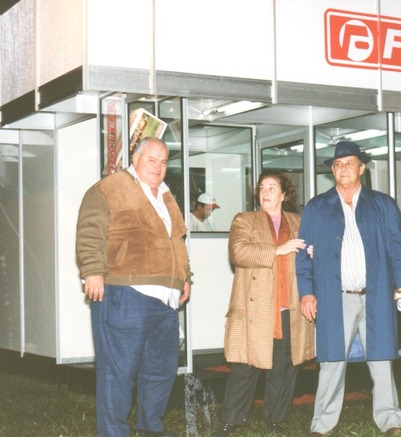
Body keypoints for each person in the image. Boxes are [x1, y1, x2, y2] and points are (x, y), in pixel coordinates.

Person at [296, 141, 401, 437]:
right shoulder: (317, 207)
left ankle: (391, 421)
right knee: (332, 361)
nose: (343, 169)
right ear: (332, 171)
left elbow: (398, 248)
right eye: (337, 165)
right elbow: (303, 253)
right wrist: (307, 291)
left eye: (349, 163)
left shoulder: (383, 205)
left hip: (375, 295)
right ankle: (321, 426)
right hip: (336, 298)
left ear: (361, 167)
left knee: (381, 359)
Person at [76, 137, 191, 437]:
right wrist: (92, 271)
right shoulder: (110, 188)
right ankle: (114, 432)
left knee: (162, 370)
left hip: (166, 300)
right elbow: (90, 231)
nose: (158, 167)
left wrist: (184, 277)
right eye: (152, 159)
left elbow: (176, 240)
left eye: (164, 161)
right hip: (125, 293)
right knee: (119, 372)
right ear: (135, 159)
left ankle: (150, 428)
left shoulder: (166, 196)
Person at [217, 170, 315, 436]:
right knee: (245, 367)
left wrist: (313, 253)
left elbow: (312, 256)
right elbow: (238, 252)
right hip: (255, 310)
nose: (265, 193)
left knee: (284, 367)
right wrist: (278, 250)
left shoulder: (299, 221)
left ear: (284, 195)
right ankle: (231, 420)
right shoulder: (245, 220)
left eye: (272, 188)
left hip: (289, 308)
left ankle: (277, 420)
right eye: (262, 188)